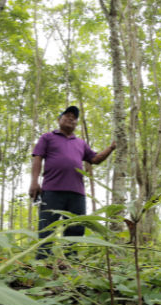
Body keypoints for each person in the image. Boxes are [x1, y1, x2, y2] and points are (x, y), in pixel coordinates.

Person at [29, 105, 116, 260]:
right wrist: (34, 182)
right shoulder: (47, 137)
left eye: (74, 117)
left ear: (76, 123)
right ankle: (41, 262)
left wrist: (111, 148)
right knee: (47, 227)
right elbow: (37, 158)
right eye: (67, 115)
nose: (71, 118)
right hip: (51, 190)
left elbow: (95, 159)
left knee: (76, 228)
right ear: (59, 119)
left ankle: (71, 262)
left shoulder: (80, 143)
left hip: (77, 193)